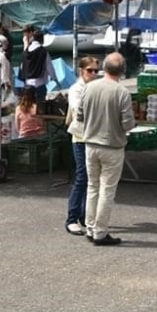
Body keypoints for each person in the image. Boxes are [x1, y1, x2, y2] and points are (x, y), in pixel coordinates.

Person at [70, 52, 134, 246]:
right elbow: (128, 124)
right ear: (122, 71)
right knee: (107, 190)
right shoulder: (122, 92)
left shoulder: (88, 88)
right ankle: (100, 231)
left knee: (92, 187)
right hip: (112, 146)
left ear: (104, 68)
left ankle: (90, 227)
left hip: (90, 144)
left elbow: (79, 116)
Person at [63, 56, 99, 234]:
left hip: (95, 137)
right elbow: (79, 110)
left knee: (93, 178)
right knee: (82, 176)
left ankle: (86, 216)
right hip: (80, 137)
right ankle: (72, 217)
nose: (93, 74)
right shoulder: (76, 89)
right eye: (89, 70)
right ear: (81, 71)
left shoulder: (96, 88)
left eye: (95, 71)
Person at [19, 25, 50, 102]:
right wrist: (54, 78)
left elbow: (23, 64)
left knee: (29, 105)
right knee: (40, 105)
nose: (25, 35)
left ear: (31, 33)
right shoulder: (43, 51)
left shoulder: (26, 50)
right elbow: (49, 66)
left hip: (28, 83)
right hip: (40, 83)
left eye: (26, 33)